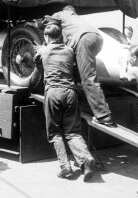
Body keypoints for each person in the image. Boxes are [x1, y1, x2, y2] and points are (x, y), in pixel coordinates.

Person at [34, 24, 95, 181]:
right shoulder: (69, 51)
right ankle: (85, 160)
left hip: (53, 92)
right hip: (70, 93)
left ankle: (65, 167)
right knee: (73, 131)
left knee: (55, 132)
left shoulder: (43, 50)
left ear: (46, 37)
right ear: (60, 36)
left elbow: (35, 63)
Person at [49, 5, 114, 126]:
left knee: (88, 78)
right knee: (78, 71)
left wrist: (34, 24)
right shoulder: (77, 18)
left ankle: (104, 116)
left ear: (65, 10)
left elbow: (46, 22)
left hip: (84, 39)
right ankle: (82, 99)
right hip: (97, 39)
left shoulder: (62, 14)